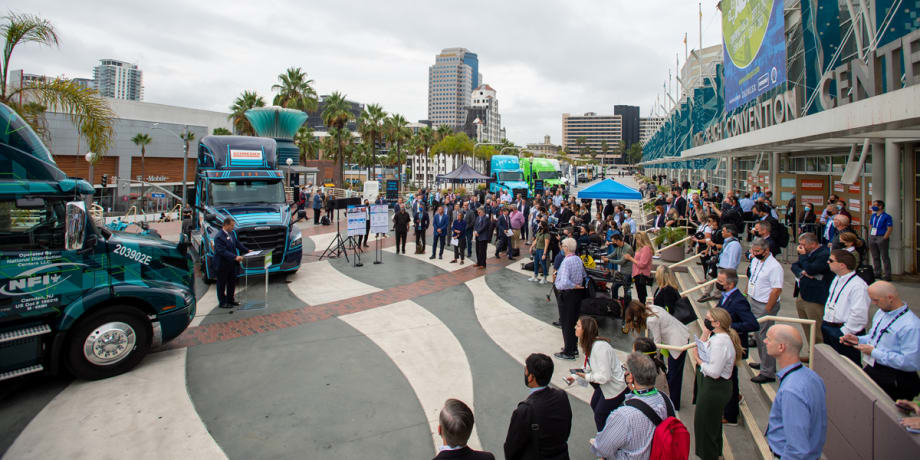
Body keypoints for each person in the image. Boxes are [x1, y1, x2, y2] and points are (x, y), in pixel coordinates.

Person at [590, 352, 678, 460]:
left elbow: (602, 448)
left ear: (631, 377)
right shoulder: (665, 399)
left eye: (626, 370)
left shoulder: (623, 415)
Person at [841, 281, 920, 400]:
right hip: (874, 368)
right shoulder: (882, 312)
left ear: (890, 298)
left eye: (876, 300)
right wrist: (859, 340)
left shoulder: (911, 326)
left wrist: (874, 352)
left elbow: (910, 362)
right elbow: (876, 337)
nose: (873, 303)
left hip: (895, 378)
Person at [764, 324, 828, 460]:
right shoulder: (813, 377)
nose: (765, 341)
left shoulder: (791, 391)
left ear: (781, 347)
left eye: (769, 339)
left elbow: (797, 449)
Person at [692, 307, 743, 460]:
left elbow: (714, 372)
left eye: (708, 318)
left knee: (705, 426)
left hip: (714, 387)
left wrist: (699, 361)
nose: (706, 320)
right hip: (711, 386)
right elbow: (702, 346)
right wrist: (706, 333)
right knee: (709, 424)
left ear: (717, 323)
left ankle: (709, 455)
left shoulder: (721, 343)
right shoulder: (717, 337)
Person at [712, 268, 759, 425]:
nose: (718, 284)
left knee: (730, 378)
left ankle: (731, 414)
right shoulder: (726, 297)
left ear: (730, 284)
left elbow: (752, 324)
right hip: (724, 343)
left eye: (721, 282)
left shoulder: (739, 301)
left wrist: (728, 326)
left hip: (732, 345)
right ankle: (733, 400)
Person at [504, 353, 572, 460]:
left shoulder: (524, 410)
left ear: (531, 377)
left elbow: (511, 447)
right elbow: (566, 429)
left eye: (526, 371)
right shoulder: (562, 396)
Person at [624, 300, 690, 410]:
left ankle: (673, 404)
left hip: (678, 342)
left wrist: (652, 360)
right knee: (673, 373)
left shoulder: (651, 321)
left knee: (674, 376)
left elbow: (656, 342)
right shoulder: (651, 308)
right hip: (679, 335)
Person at [565, 316, 628, 431]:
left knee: (600, 415)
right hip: (608, 386)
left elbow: (604, 377)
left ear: (585, 330)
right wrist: (575, 376)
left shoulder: (599, 348)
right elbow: (587, 367)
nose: (575, 327)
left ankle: (605, 440)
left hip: (616, 388)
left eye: (578, 326)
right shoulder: (592, 345)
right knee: (595, 403)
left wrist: (587, 377)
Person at [822, 250, 869, 364]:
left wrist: (844, 332)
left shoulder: (858, 285)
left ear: (842, 265)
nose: (828, 262)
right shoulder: (837, 279)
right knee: (831, 363)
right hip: (829, 325)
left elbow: (859, 313)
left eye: (831, 260)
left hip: (844, 330)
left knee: (848, 364)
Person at [748, 238, 784, 384]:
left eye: (758, 252)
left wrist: (768, 310)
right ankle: (764, 363)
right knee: (758, 336)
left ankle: (768, 371)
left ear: (767, 251)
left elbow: (776, 290)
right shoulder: (756, 261)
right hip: (755, 300)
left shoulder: (775, 267)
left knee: (765, 337)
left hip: (765, 305)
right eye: (753, 251)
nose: (755, 254)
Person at [790, 232, 833, 345]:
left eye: (803, 244)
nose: (800, 247)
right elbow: (795, 266)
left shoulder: (823, 254)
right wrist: (802, 271)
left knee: (816, 328)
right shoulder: (807, 252)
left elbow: (811, 269)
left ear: (813, 244)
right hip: (803, 292)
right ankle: (811, 351)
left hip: (815, 297)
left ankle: (819, 355)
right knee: (806, 325)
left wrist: (804, 257)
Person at [553, 238, 586, 361]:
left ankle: (568, 351)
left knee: (566, 323)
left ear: (566, 247)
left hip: (567, 294)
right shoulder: (577, 259)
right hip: (577, 295)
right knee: (573, 322)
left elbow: (565, 281)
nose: (561, 247)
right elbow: (583, 274)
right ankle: (573, 347)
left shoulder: (567, 262)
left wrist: (571, 284)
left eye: (562, 246)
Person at [698, 224, 742, 302]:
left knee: (723, 287)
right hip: (720, 266)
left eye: (723, 231)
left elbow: (732, 261)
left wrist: (728, 273)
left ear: (729, 233)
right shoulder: (727, 242)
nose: (722, 232)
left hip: (726, 269)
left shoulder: (734, 245)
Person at [214, 217, 249, 309]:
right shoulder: (219, 237)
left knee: (231, 283)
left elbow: (237, 244)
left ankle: (230, 300)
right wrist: (235, 257)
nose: (233, 227)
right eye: (232, 225)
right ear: (225, 225)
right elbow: (222, 251)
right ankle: (222, 302)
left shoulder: (232, 233)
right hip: (222, 265)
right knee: (221, 284)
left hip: (231, 264)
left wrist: (247, 250)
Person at [624, 231, 653, 303]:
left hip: (641, 274)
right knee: (640, 295)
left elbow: (642, 264)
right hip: (637, 274)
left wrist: (631, 258)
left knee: (642, 296)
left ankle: (642, 311)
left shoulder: (646, 249)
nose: (636, 241)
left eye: (638, 239)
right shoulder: (641, 248)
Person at [868, 200, 893, 281]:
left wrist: (884, 238)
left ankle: (887, 274)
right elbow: (871, 225)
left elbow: (889, 228)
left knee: (884, 256)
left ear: (880, 206)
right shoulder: (873, 216)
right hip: (873, 236)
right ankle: (877, 272)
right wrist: (870, 235)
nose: (873, 206)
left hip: (881, 237)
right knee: (875, 256)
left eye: (875, 205)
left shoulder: (887, 216)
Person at [604, 233, 633, 301]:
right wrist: (604, 257)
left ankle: (628, 304)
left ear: (618, 241)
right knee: (614, 287)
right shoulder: (618, 247)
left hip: (627, 272)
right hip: (621, 271)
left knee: (626, 290)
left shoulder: (628, 248)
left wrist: (608, 260)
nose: (612, 243)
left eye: (613, 241)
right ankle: (615, 302)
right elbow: (613, 254)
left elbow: (621, 261)